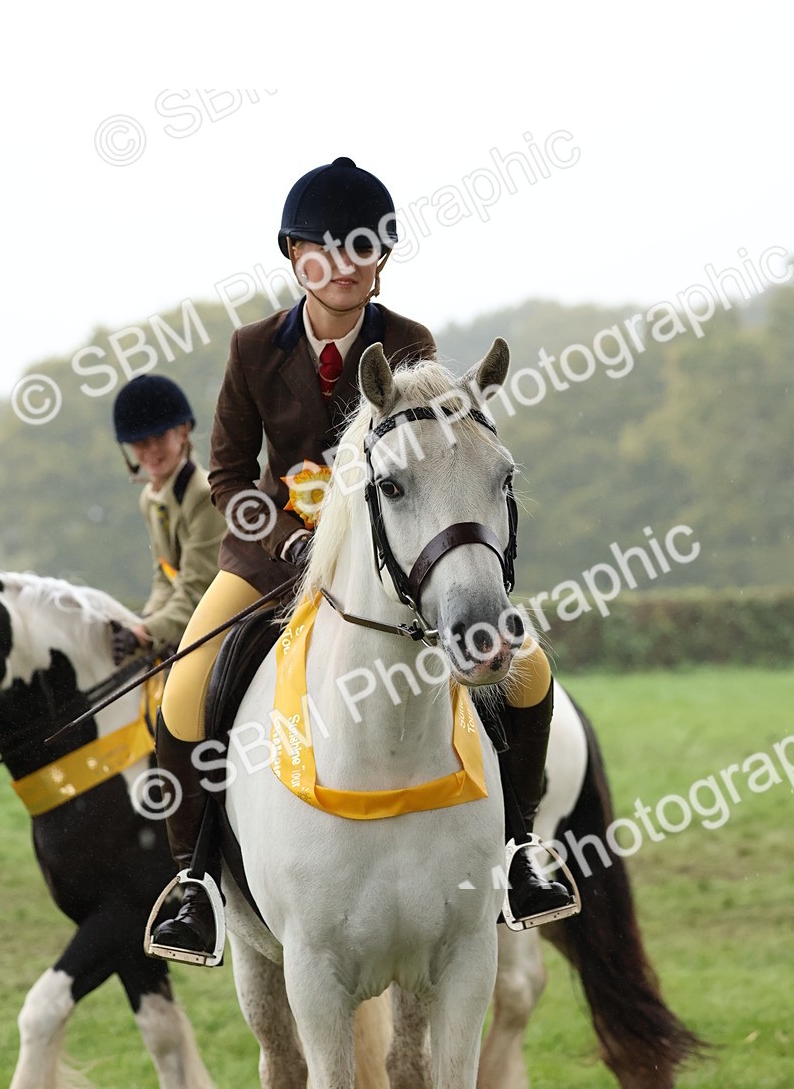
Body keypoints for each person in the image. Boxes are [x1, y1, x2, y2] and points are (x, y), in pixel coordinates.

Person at [149, 157, 573, 962]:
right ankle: (192, 883)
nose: (344, 267)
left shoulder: (408, 342)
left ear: (381, 260)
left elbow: (434, 456)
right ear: (294, 256)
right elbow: (231, 475)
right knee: (184, 687)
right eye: (324, 250)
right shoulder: (250, 349)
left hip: (389, 563)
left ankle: (519, 851)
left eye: (362, 249)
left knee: (530, 672)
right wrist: (290, 538)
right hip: (271, 558)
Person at [110, 375, 226, 661]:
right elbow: (165, 576)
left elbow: (197, 589)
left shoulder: (203, 494)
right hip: (185, 619)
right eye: (139, 442)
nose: (150, 451)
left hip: (222, 617)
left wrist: (146, 632)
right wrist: (144, 621)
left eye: (159, 437)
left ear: (183, 432)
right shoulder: (149, 498)